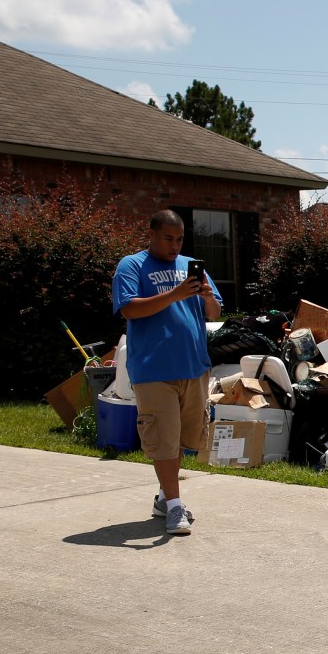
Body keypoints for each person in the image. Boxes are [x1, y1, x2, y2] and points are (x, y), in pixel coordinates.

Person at [112, 210, 222, 536]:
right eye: (168, 238)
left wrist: (205, 295)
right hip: (153, 369)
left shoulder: (191, 267)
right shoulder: (131, 266)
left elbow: (215, 310)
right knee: (163, 437)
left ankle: (163, 497)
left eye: (179, 239)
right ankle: (175, 507)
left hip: (193, 366)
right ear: (151, 233)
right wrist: (175, 294)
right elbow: (129, 308)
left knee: (182, 439)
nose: (174, 246)